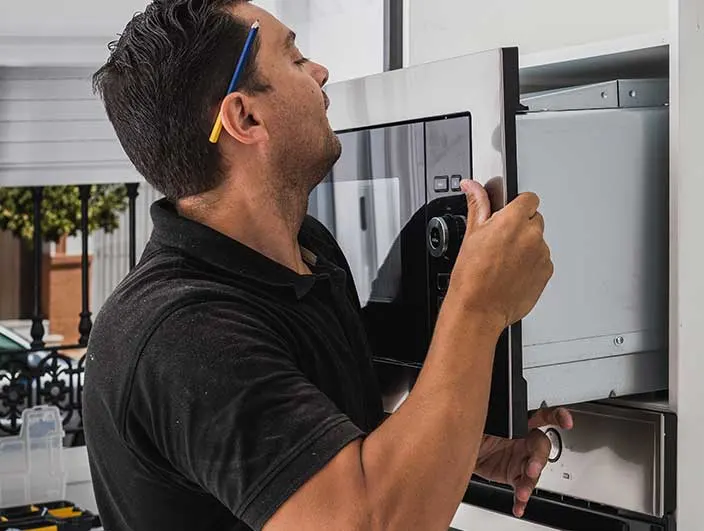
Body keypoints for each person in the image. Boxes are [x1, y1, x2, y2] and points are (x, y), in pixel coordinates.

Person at [84, 1, 569, 530]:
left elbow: (325, 434)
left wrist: (460, 446)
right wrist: (478, 306)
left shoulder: (304, 250)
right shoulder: (182, 334)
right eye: (294, 58)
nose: (320, 72)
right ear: (245, 117)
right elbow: (366, 522)